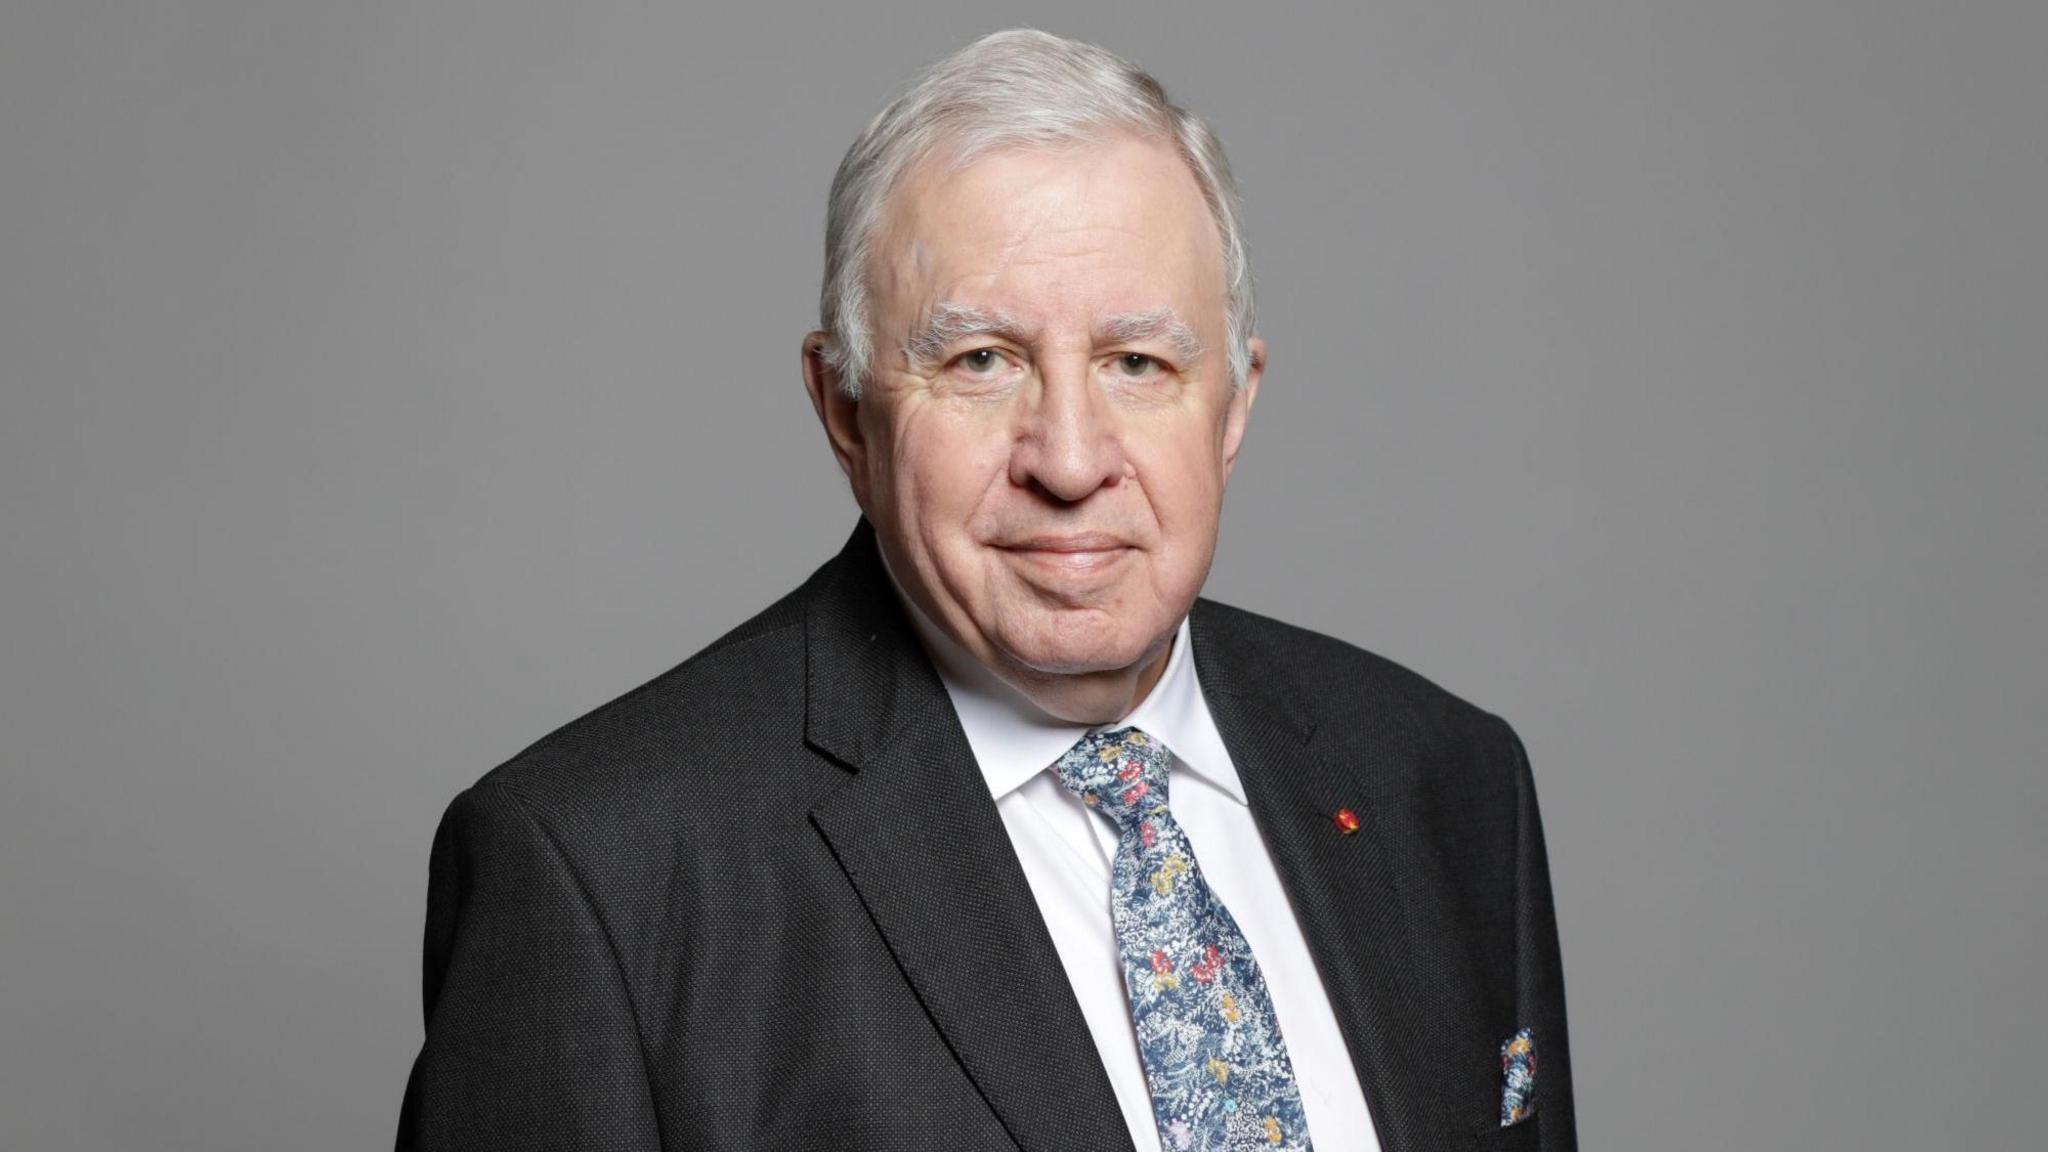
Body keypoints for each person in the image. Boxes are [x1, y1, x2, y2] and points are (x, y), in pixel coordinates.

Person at [397, 28, 1574, 1152]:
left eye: (1137, 362)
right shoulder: (600, 878)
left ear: (1233, 405)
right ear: (844, 411)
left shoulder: (1447, 782)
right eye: (979, 361)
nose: (1067, 458)